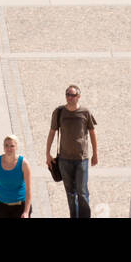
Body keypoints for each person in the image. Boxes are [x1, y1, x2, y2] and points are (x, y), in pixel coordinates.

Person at [45, 85, 98, 219]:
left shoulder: (85, 112)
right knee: (70, 192)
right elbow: (52, 132)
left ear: (78, 97)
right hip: (64, 159)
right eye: (67, 94)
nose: (69, 97)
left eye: (72, 95)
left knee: (82, 191)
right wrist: (47, 153)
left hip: (82, 158)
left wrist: (95, 153)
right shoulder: (59, 112)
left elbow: (92, 133)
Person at [0, 135, 32, 218]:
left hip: (20, 206)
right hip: (1, 205)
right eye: (6, 145)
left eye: (12, 146)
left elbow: (28, 189)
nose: (9, 148)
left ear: (16, 147)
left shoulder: (24, 164)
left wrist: (26, 212)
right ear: (3, 147)